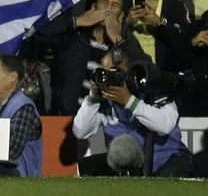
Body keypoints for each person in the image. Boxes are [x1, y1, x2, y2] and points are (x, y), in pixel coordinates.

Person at [73, 48, 194, 176]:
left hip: (169, 161)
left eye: (117, 71)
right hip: (132, 167)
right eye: (106, 71)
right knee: (90, 168)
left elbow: (165, 125)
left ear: (130, 70)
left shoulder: (154, 87)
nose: (112, 77)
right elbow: (80, 131)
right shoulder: (103, 102)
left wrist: (129, 101)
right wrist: (92, 99)